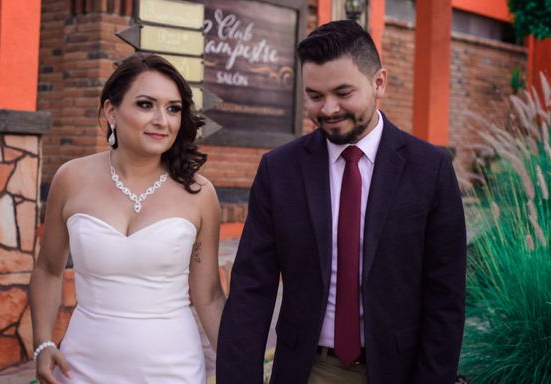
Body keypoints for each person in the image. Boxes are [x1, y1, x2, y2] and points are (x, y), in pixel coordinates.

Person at [217, 20, 466, 384]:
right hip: (308, 370)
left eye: (343, 92)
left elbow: (446, 296)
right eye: (315, 96)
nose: (328, 109)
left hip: (400, 371)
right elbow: (251, 290)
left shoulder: (430, 169)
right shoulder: (279, 170)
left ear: (379, 82)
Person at [29, 53, 225, 384]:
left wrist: (238, 365)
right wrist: (43, 343)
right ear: (111, 112)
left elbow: (208, 295)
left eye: (173, 108)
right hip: (81, 367)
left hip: (173, 368)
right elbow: (48, 269)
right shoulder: (71, 178)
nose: (162, 120)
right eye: (146, 105)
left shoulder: (199, 193)